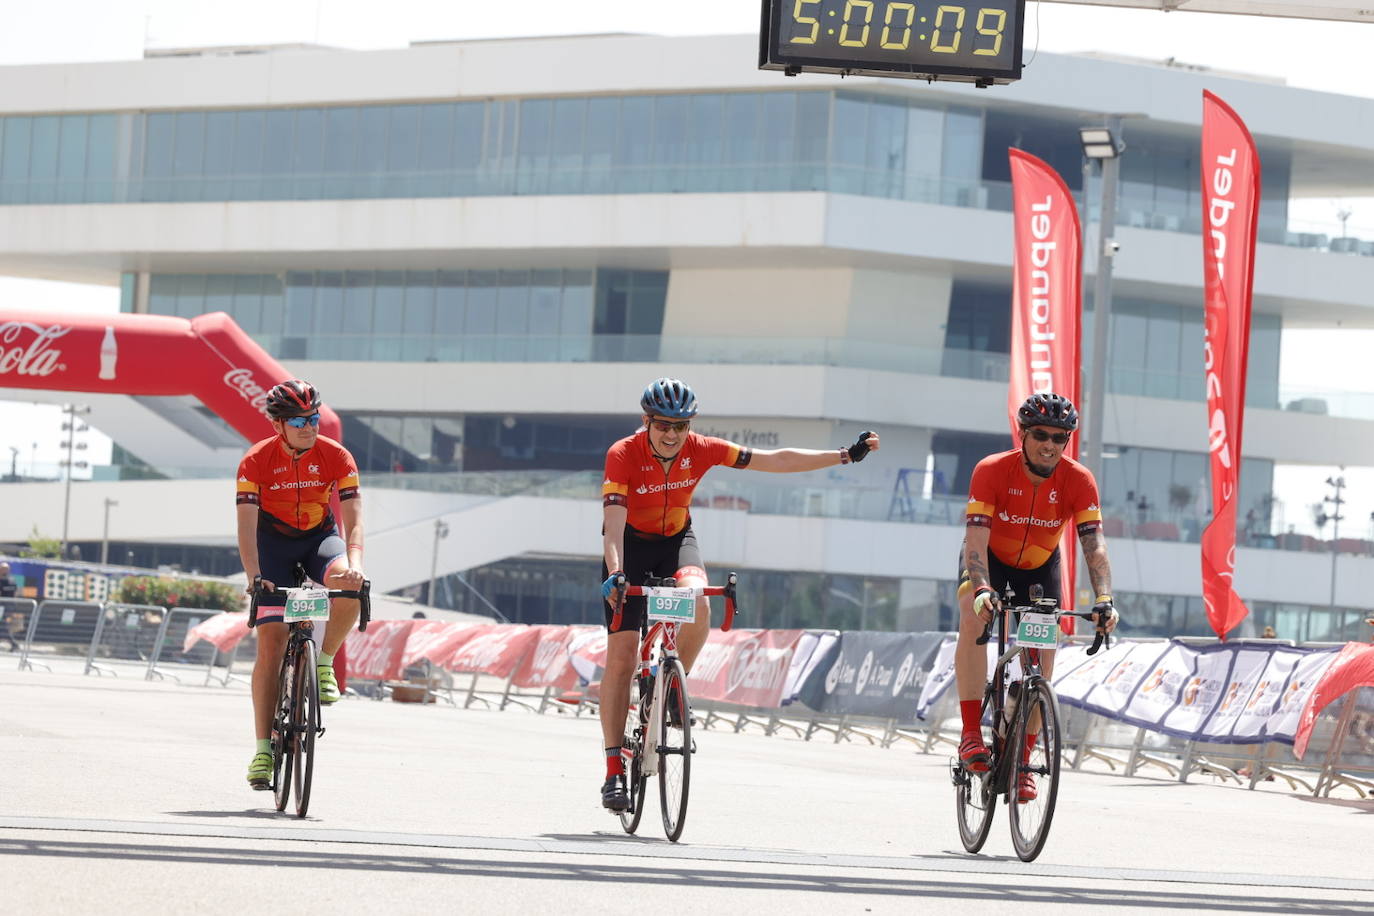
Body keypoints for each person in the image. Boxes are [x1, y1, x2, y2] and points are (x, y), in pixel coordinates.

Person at [596, 377, 880, 811]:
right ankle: (614, 768)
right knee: (620, 659)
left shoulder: (702, 449)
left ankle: (673, 687)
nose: (672, 435)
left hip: (676, 541)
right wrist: (616, 574)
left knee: (700, 603)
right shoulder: (623, 454)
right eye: (663, 426)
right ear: (646, 422)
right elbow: (613, 522)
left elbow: (775, 460)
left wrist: (844, 455)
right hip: (629, 548)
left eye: (681, 426)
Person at [955, 392, 1119, 803]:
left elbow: (1093, 544)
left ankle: (1024, 763)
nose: (1050, 444)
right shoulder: (991, 470)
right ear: (1024, 434)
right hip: (989, 563)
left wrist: (1104, 599)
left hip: (1040, 569)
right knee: (972, 618)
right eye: (1042, 434)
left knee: (1043, 653)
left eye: (1060, 438)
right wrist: (981, 589)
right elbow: (976, 539)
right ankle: (971, 732)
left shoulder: (1078, 480)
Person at [235, 379, 366, 790]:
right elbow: (245, 530)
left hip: (318, 539)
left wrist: (356, 564)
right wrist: (255, 577)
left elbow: (354, 518)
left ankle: (324, 663)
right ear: (278, 425)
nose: (309, 427)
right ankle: (262, 749)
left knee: (350, 586)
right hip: (271, 545)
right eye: (298, 421)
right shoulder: (255, 461)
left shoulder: (336, 456)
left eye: (313, 419)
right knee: (271, 645)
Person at [0, 562, 18, 652]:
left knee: (3, 625)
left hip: (4, 606)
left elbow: (14, 593)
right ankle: (13, 644)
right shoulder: (11, 579)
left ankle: (13, 643)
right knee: (3, 625)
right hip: (7, 606)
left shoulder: (7, 580)